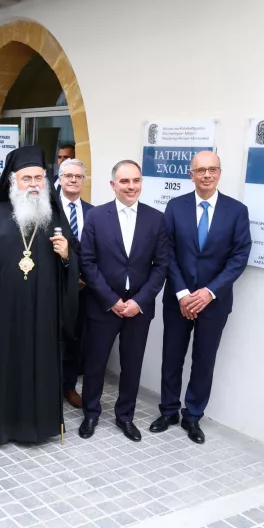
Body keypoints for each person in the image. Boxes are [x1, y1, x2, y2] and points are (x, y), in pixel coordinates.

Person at [0, 146, 78, 445]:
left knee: (41, 365)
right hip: (4, 312)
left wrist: (66, 256)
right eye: (27, 178)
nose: (34, 184)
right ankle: (3, 427)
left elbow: (73, 265)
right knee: (6, 365)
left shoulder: (54, 217)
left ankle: (40, 426)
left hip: (43, 312)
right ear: (13, 181)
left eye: (38, 178)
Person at [152, 151, 251, 443]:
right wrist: (183, 293)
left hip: (214, 302)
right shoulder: (175, 207)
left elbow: (239, 256)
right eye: (200, 170)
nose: (207, 175)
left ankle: (192, 416)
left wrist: (208, 292)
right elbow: (167, 251)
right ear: (191, 174)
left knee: (204, 360)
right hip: (178, 299)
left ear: (219, 173)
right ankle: (168, 411)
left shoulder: (237, 211)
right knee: (172, 357)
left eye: (212, 169)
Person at [79, 160, 169, 443]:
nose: (131, 186)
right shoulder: (96, 217)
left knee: (132, 364)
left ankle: (125, 416)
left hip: (138, 308)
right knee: (95, 362)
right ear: (113, 184)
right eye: (125, 181)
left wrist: (139, 301)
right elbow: (87, 262)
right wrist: (111, 299)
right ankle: (91, 413)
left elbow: (161, 266)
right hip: (103, 304)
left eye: (136, 180)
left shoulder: (156, 219)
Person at [57, 158, 94, 409]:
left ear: (84, 180)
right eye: (68, 175)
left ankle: (68, 385)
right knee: (50, 336)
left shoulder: (94, 213)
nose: (73, 180)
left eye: (78, 176)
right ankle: (47, 384)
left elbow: (96, 251)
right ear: (59, 179)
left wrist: (83, 277)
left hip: (82, 288)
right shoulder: (48, 210)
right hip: (53, 286)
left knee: (74, 338)